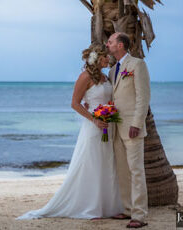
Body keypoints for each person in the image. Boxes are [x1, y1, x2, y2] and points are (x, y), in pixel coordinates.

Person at [16, 43, 124, 220]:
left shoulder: (106, 77)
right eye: (105, 57)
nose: (108, 59)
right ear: (98, 58)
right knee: (92, 164)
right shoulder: (85, 77)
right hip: (93, 127)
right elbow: (75, 103)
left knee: (108, 165)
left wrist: (109, 114)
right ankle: (91, 208)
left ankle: (110, 208)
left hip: (108, 126)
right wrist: (94, 119)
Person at [106, 32, 151, 228]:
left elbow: (143, 97)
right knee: (123, 171)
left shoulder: (137, 64)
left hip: (132, 127)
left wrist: (137, 123)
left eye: (110, 42)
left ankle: (139, 215)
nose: (107, 44)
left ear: (121, 45)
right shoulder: (112, 70)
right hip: (116, 127)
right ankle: (127, 209)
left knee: (136, 171)